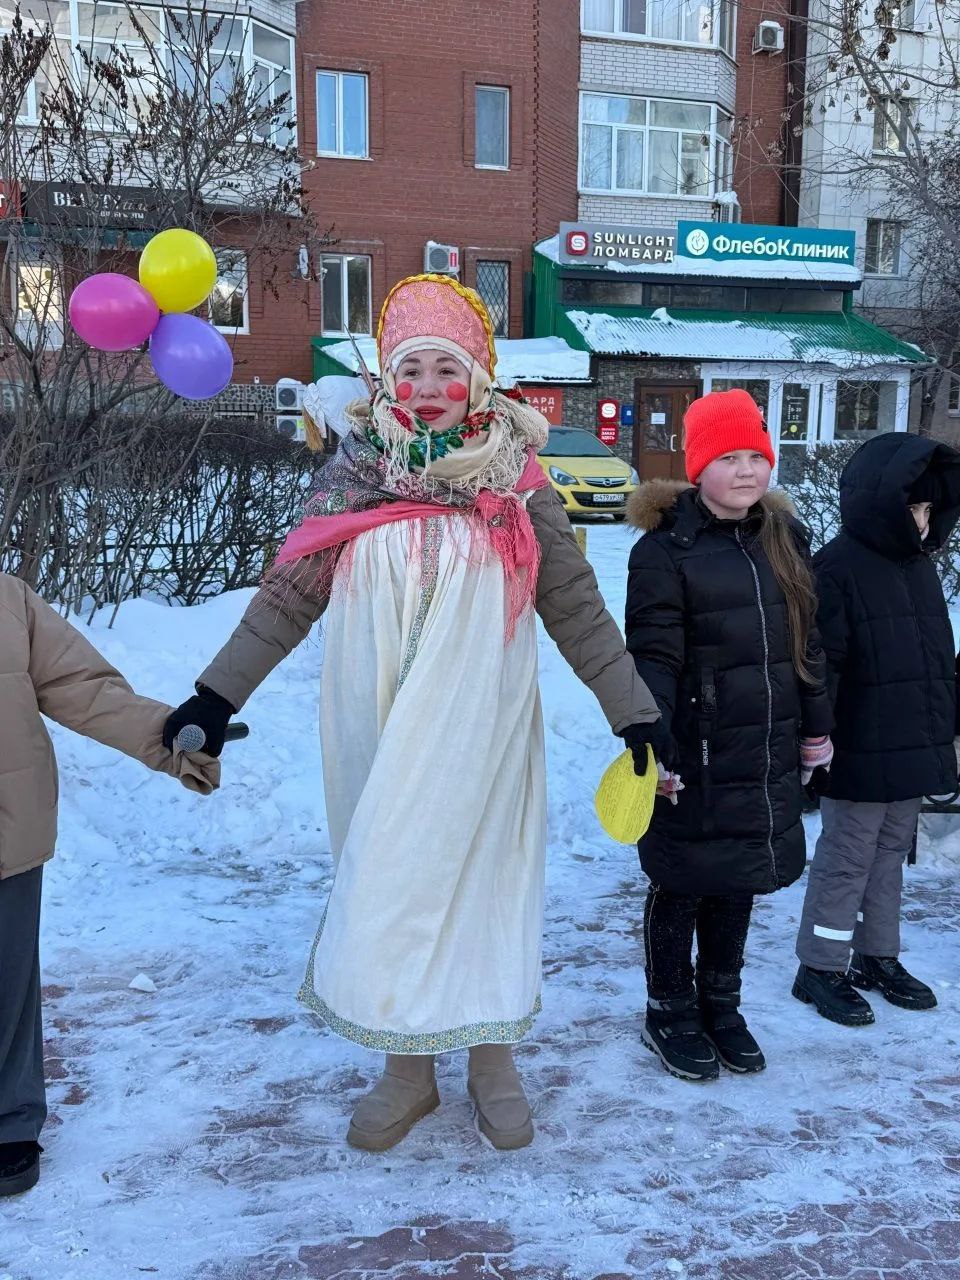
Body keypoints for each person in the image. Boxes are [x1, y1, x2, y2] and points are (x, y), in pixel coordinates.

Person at [162, 275, 666, 1152]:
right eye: (410, 369)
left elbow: (576, 607)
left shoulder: (520, 481)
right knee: (390, 880)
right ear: (387, 384)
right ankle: (408, 1072)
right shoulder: (355, 475)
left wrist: (633, 714)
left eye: (446, 367)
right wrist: (216, 693)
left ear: (477, 380)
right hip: (378, 720)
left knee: (482, 881)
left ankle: (492, 1060)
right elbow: (287, 595)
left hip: (484, 725)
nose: (427, 386)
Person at [625, 389, 832, 1083]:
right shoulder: (664, 552)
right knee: (682, 880)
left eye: (757, 456)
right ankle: (668, 1008)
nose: (747, 471)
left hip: (766, 742)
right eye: (728, 457)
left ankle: (721, 1003)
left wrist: (817, 732)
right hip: (693, 747)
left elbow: (809, 645)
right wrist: (650, 739)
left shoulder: (785, 539)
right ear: (697, 466)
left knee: (738, 879)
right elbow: (652, 654)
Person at [0, 572, 219, 1198]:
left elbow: (81, 686)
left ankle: (9, 1121)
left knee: (8, 979)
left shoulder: (7, 599)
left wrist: (168, 737)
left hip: (6, 822)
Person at [793, 434, 960, 1024]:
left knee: (891, 854)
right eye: (914, 508)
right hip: (857, 747)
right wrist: (817, 743)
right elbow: (820, 666)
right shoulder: (836, 569)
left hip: (907, 745)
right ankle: (819, 965)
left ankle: (876, 955)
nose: (924, 521)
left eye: (929, 510)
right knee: (848, 857)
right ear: (881, 504)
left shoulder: (916, 569)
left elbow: (932, 658)